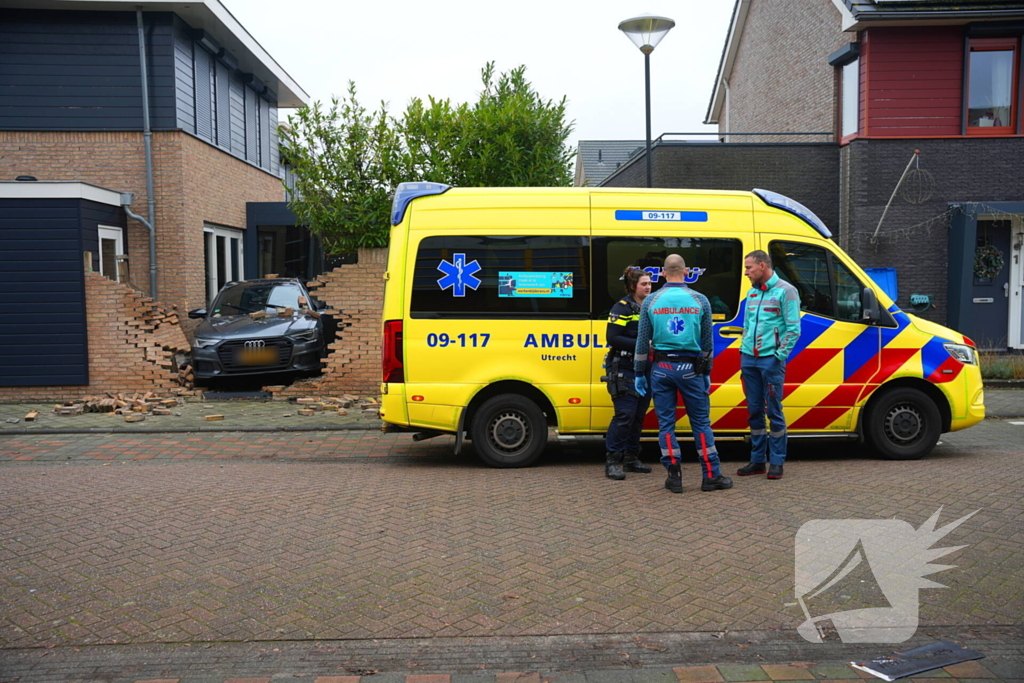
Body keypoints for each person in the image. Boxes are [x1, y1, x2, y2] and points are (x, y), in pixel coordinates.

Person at [633, 254, 733, 494]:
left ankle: (674, 475)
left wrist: (638, 372)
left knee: (666, 424)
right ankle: (711, 475)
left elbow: (641, 341)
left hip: (662, 369)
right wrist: (707, 371)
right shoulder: (700, 300)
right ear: (686, 272)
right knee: (701, 423)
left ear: (663, 273)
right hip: (691, 369)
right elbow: (708, 342)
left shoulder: (651, 300)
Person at [736, 250, 801, 480]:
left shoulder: (786, 291)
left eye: (749, 268)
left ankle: (776, 462)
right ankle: (757, 461)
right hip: (749, 359)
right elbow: (747, 325)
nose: (746, 273)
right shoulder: (752, 294)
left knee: (774, 410)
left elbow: (794, 329)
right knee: (754, 411)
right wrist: (744, 350)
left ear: (762, 266)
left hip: (770, 360)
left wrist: (778, 355)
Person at [603, 266, 654, 479]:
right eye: (644, 284)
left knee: (638, 416)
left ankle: (632, 459)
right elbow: (613, 338)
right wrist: (644, 344)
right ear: (633, 286)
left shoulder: (652, 307)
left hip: (645, 368)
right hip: (624, 368)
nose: (648, 287)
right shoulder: (622, 308)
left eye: (650, 283)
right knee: (624, 415)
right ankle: (613, 461)